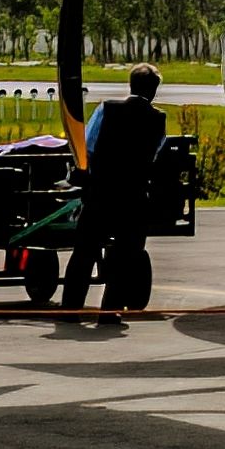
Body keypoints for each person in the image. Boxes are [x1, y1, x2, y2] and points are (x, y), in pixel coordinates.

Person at [69, 64, 176, 317]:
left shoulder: (107, 108)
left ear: (131, 84)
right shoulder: (157, 118)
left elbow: (89, 144)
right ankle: (111, 310)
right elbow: (156, 152)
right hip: (133, 195)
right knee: (126, 255)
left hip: (101, 192)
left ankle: (70, 307)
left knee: (84, 251)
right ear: (154, 91)